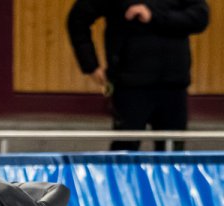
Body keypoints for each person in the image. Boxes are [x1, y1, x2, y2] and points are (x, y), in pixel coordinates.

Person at [67, 0, 209, 150]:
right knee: (124, 150)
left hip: (173, 84)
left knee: (172, 151)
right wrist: (90, 65)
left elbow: (200, 17)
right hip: (130, 85)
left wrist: (154, 16)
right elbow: (78, 19)